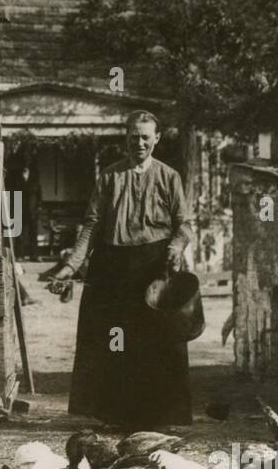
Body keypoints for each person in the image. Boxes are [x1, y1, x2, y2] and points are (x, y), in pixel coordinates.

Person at [50, 111, 193, 427]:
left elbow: (184, 224)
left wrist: (175, 246)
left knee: (157, 343)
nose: (139, 143)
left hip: (155, 267)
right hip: (112, 268)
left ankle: (159, 416)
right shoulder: (108, 178)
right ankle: (115, 415)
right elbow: (90, 226)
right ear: (125, 138)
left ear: (157, 138)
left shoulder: (169, 177)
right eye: (133, 136)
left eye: (145, 137)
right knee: (114, 341)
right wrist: (70, 266)